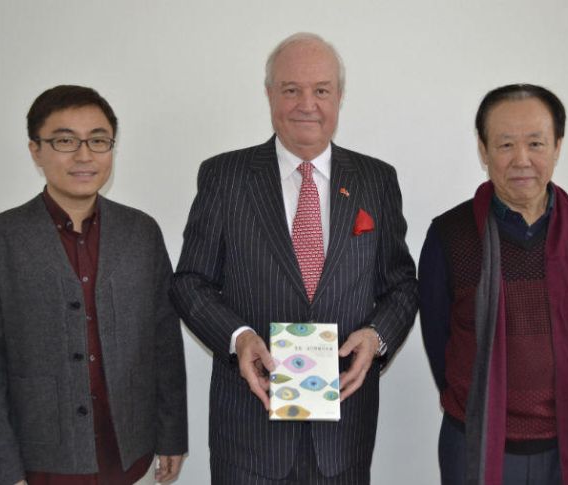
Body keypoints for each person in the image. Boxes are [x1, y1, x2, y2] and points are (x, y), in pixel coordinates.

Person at [170, 32, 418, 484]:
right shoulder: (224, 176)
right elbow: (189, 282)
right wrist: (237, 337)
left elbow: (401, 283)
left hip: (343, 434)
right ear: (269, 95)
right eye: (291, 90)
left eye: (321, 90)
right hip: (249, 428)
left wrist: (378, 337)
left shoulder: (376, 181)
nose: (307, 104)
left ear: (340, 97)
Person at [0, 85, 188, 485]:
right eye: (65, 140)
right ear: (36, 150)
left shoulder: (141, 232)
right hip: (40, 456)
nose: (84, 155)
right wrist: (0, 470)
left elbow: (164, 341)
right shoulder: (1, 238)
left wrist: (171, 435)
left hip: (125, 448)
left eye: (98, 141)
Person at [418, 83, 568, 485]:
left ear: (557, 146)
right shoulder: (450, 234)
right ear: (483, 151)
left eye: (536, 143)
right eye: (505, 145)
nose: (521, 159)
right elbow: (439, 338)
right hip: (474, 440)